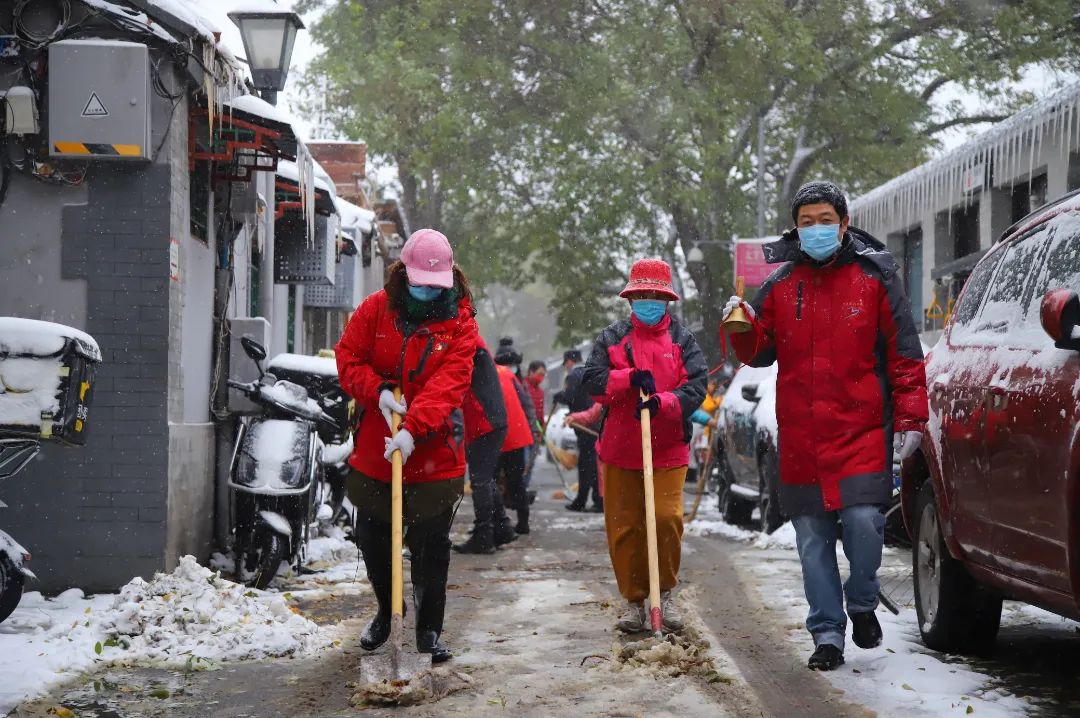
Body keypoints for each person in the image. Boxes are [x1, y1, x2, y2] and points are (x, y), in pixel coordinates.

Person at [724, 180, 928, 671]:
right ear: (795, 227)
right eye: (806, 221)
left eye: (825, 219)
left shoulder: (875, 279)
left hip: (861, 430)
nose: (816, 228)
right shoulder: (779, 285)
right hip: (800, 435)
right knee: (812, 539)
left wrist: (911, 417)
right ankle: (828, 634)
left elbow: (904, 355)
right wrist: (741, 325)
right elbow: (759, 353)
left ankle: (862, 601)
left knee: (864, 523)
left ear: (844, 223)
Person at [335, 228, 479, 665]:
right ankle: (387, 611)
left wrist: (414, 429)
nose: (428, 291)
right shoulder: (376, 310)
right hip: (377, 445)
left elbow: (448, 384)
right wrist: (376, 390)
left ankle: (428, 629)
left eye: (436, 286)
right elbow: (348, 357)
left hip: (433, 450)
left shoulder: (461, 324)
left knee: (431, 543)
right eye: (420, 283)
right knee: (373, 536)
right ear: (404, 274)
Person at [582, 258, 707, 633]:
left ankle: (664, 593)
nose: (648, 301)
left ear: (667, 300)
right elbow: (591, 381)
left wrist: (664, 402)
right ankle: (634, 599)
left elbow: (697, 387)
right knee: (625, 528)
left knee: (666, 519)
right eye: (641, 295)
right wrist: (627, 378)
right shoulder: (611, 337)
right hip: (620, 449)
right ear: (630, 298)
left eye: (655, 296)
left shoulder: (683, 340)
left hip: (668, 449)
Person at [453, 339, 520, 555]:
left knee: (480, 480)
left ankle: (484, 535)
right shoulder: (473, 342)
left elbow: (455, 376)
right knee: (486, 478)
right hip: (489, 420)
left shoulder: (468, 342)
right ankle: (501, 527)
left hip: (484, 421)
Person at [554, 349, 602, 512]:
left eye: (566, 364)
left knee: (587, 466)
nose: (566, 367)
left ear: (569, 361)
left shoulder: (574, 375)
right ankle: (596, 499)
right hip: (593, 425)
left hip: (586, 427)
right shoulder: (590, 372)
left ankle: (584, 501)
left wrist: (559, 396)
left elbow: (570, 397)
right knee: (593, 465)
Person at [493, 362, 538, 534]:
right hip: (517, 433)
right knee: (516, 481)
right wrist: (532, 428)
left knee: (490, 481)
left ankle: (495, 524)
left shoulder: (478, 372)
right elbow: (525, 402)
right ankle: (523, 522)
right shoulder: (506, 373)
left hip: (496, 434)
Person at [522, 360, 547, 495]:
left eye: (543, 375)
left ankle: (524, 489)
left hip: (536, 432)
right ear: (530, 372)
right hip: (523, 430)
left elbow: (540, 412)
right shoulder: (522, 386)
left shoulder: (541, 392)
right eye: (539, 374)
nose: (541, 378)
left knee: (530, 463)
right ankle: (517, 489)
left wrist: (542, 429)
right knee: (523, 462)